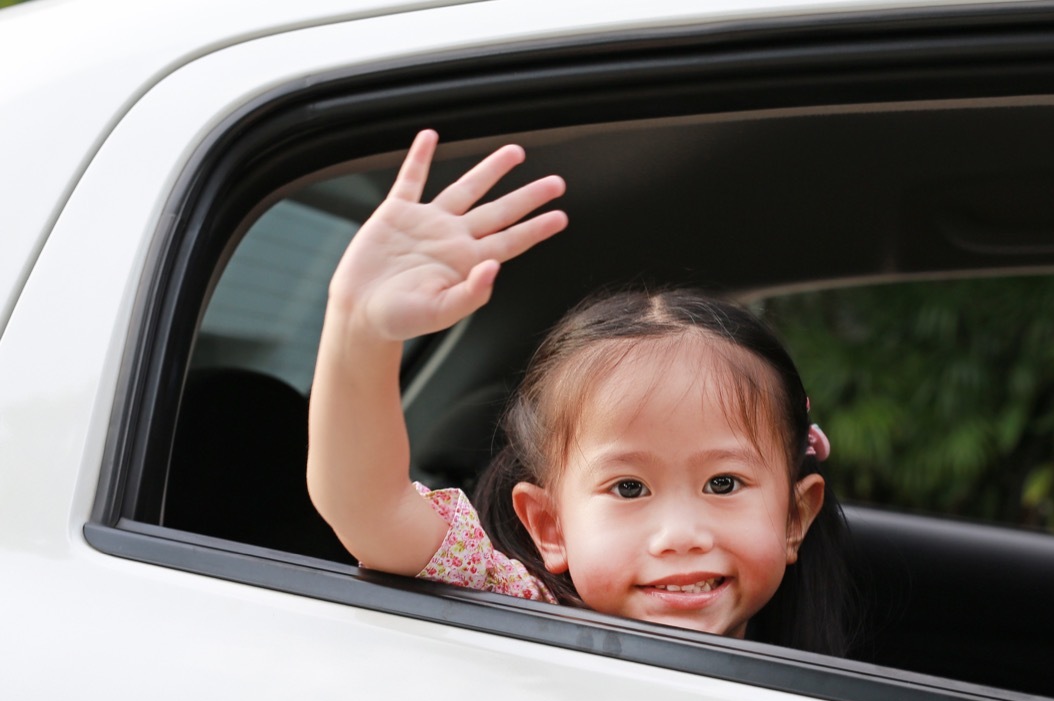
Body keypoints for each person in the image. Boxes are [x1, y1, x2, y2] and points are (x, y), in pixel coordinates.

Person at [308, 130, 855, 655]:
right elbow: (370, 508)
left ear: (794, 517)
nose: (681, 536)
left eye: (723, 482)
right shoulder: (520, 614)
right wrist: (360, 329)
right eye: (628, 488)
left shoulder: (816, 684)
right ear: (550, 527)